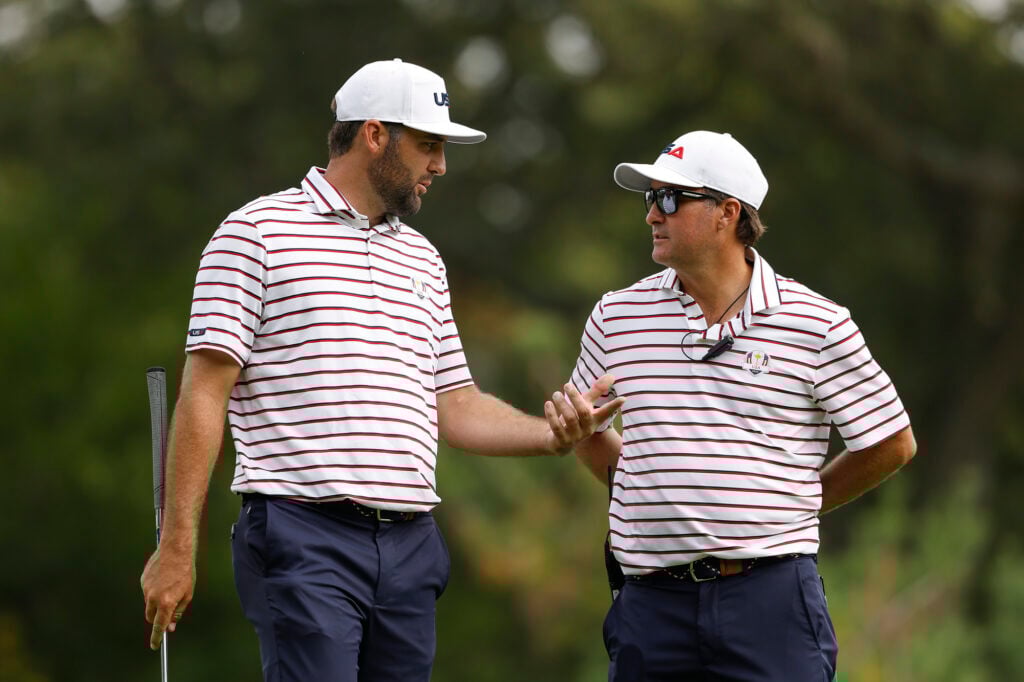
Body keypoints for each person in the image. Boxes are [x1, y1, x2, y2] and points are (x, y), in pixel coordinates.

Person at [140, 58, 624, 682]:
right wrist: (178, 546)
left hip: (409, 545)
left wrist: (552, 435)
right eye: (428, 145)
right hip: (302, 534)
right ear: (374, 135)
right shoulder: (255, 233)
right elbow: (204, 394)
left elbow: (456, 403)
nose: (439, 165)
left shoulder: (422, 259)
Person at [569, 130, 917, 682]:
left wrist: (799, 504)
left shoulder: (817, 322)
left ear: (727, 213)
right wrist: (650, 490)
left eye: (670, 199)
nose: (652, 215)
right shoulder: (616, 315)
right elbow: (586, 430)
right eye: (650, 198)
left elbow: (892, 442)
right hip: (651, 605)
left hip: (771, 600)